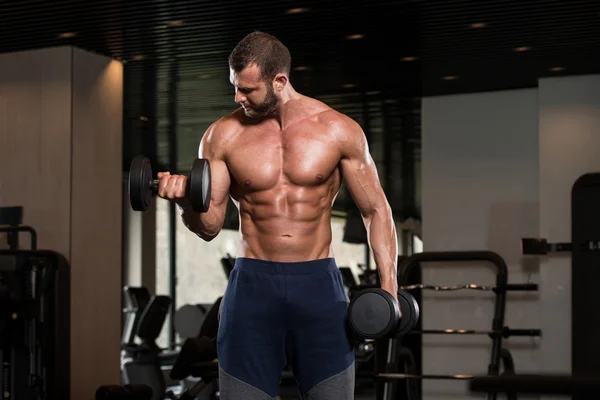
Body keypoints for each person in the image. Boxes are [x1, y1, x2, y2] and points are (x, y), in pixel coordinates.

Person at [157, 31, 398, 400]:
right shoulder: (222, 135)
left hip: (318, 287)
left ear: (280, 81)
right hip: (253, 287)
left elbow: (376, 211)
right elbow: (209, 227)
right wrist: (185, 203)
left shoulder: (338, 130)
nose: (238, 97)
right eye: (235, 87)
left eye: (248, 90)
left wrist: (389, 290)